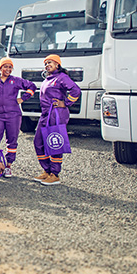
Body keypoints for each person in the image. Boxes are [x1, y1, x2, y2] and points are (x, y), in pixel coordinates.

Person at [33, 54, 81, 186]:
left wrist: (65, 103)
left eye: (50, 63)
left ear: (57, 65)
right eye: (46, 64)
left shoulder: (62, 77)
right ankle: (47, 171)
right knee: (38, 142)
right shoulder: (49, 78)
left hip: (56, 114)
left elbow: (76, 90)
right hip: (45, 114)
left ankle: (55, 174)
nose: (47, 65)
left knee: (54, 143)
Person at [0, 57, 37, 177]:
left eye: (10, 67)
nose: (8, 69)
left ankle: (8, 166)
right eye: (5, 66)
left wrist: (23, 98)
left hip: (13, 115)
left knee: (12, 141)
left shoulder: (16, 81)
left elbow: (32, 87)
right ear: (0, 68)